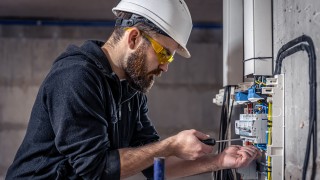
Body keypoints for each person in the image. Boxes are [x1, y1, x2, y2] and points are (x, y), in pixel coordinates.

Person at [6, 0, 261, 179]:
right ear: (133, 38)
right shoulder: (76, 77)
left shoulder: (131, 89)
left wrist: (218, 161)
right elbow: (95, 169)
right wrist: (171, 145)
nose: (165, 67)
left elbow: (154, 165)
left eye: (170, 59)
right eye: (164, 54)